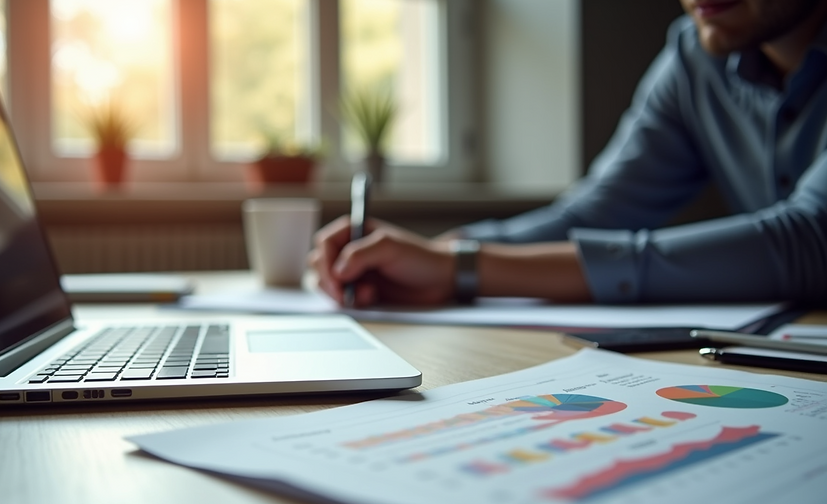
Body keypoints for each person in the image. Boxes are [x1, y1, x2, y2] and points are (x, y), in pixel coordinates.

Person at [310, 0, 827, 307]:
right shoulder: (696, 59)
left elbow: (808, 239)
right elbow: (594, 213)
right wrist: (436, 252)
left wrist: (460, 268)